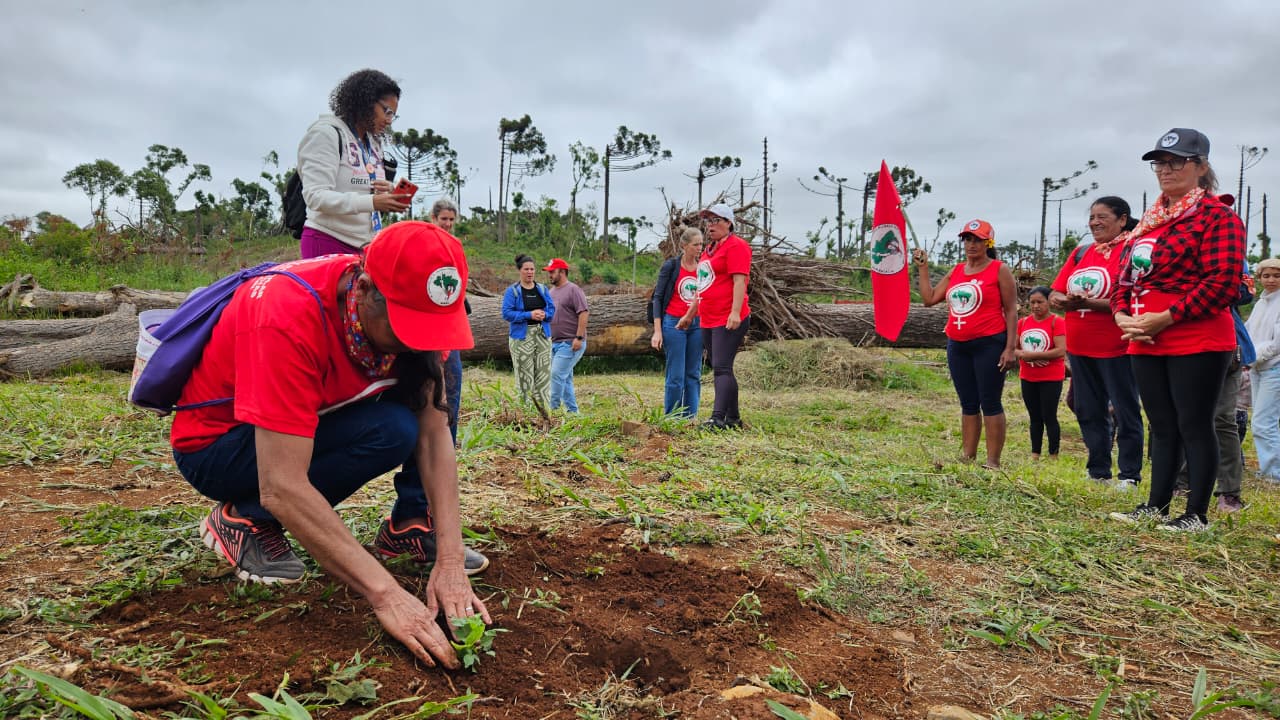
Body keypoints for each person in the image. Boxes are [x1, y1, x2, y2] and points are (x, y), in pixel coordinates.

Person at [171, 222, 489, 670]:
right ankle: (244, 518)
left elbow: (435, 434)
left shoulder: (407, 318)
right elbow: (282, 484)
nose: (416, 343)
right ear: (362, 289)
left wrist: (451, 562)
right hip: (222, 447)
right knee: (385, 431)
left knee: (400, 424)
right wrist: (387, 594)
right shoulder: (288, 312)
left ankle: (409, 527)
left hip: (315, 419)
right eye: (405, 329)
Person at [1108, 128, 1245, 533]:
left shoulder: (1218, 216)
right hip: (1144, 336)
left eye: (1177, 161)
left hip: (1196, 336)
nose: (1166, 170)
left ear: (1201, 167)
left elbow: (1222, 283)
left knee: (1194, 423)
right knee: (1162, 424)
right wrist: (1120, 316)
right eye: (1160, 162)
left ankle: (1195, 515)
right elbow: (1123, 278)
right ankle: (1156, 505)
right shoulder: (1148, 223)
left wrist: (1165, 316)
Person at [1051, 197, 1145, 488]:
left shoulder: (1132, 252)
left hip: (1117, 347)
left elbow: (1133, 297)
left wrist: (1090, 302)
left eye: (1102, 216)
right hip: (1080, 348)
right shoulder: (1081, 253)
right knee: (1088, 410)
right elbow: (1055, 292)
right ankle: (1098, 470)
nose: (1094, 222)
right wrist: (1064, 301)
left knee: (1126, 411)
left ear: (1122, 219)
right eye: (1091, 217)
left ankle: (1129, 474)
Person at [913, 219, 1018, 468]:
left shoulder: (999, 269)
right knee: (968, 402)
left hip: (990, 343)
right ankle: (968, 456)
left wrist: (1010, 348)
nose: (971, 244)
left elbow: (1011, 310)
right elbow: (929, 299)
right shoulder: (957, 271)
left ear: (988, 243)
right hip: (958, 344)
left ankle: (993, 461)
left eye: (978, 240)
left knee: (990, 402)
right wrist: (923, 267)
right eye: (968, 239)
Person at [298, 69, 410, 258]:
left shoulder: (374, 142)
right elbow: (315, 196)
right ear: (365, 102)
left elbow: (362, 185)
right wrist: (372, 202)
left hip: (365, 246)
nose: (389, 120)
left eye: (394, 115)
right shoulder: (326, 134)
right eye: (387, 111)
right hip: (328, 239)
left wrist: (386, 192)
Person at [695, 203, 752, 430]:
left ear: (729, 223)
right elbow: (702, 284)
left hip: (727, 316)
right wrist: (692, 314)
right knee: (719, 365)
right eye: (708, 221)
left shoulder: (736, 246)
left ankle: (717, 418)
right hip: (708, 316)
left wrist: (735, 312)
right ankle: (733, 418)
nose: (711, 225)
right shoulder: (710, 249)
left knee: (721, 367)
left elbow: (740, 281)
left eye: (716, 220)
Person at [651, 227, 705, 418]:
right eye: (695, 244)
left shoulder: (703, 269)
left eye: (701, 244)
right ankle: (672, 418)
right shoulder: (671, 266)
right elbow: (657, 298)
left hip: (697, 325)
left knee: (693, 373)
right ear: (684, 246)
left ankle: (690, 417)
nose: (699, 248)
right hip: (673, 324)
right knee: (676, 375)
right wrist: (657, 331)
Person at [1016, 287, 1066, 460]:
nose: (1036, 306)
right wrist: (1025, 356)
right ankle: (1035, 452)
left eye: (1040, 302)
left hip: (1051, 377)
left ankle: (1053, 453)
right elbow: (1014, 349)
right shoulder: (1022, 323)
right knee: (1034, 416)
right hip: (1028, 376)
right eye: (1032, 303)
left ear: (1048, 302)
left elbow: (1060, 350)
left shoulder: (1057, 322)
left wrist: (1034, 355)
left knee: (1049, 416)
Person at [429, 199, 465, 444]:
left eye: (451, 220)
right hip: (428, 322)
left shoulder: (456, 245)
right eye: (444, 219)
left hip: (450, 323)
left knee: (453, 382)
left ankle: (448, 447)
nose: (448, 224)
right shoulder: (424, 242)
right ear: (433, 219)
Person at [501, 254, 555, 409]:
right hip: (522, 337)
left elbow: (551, 309)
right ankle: (525, 411)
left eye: (532, 269)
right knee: (525, 375)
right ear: (520, 271)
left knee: (544, 374)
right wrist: (528, 315)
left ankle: (544, 411)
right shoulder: (513, 291)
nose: (530, 272)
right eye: (526, 269)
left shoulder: (543, 289)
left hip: (542, 335)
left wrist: (545, 315)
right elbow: (506, 313)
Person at [1245, 258, 1280, 485]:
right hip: (1258, 369)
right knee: (1264, 421)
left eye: (1276, 276)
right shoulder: (1261, 303)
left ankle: (1272, 474)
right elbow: (1249, 333)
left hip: (1273, 368)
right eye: (1266, 276)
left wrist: (1253, 356)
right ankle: (1269, 469)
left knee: (1262, 422)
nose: (1271, 280)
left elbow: (1276, 344)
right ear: (1259, 278)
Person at [545, 258, 590, 413]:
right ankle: (573, 413)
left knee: (556, 375)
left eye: (552, 272)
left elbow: (583, 313)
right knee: (564, 379)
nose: (549, 275)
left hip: (570, 343)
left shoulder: (573, 290)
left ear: (562, 272)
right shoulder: (550, 292)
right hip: (555, 343)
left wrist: (578, 338)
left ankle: (553, 411)